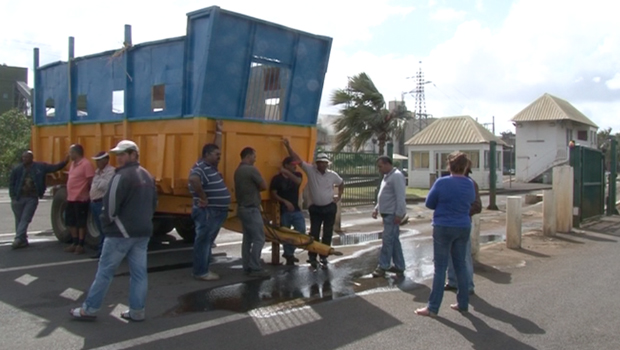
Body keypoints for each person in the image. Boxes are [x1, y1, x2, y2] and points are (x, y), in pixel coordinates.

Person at [70, 140, 157, 322]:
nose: (119, 158)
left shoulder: (121, 176)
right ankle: (137, 311)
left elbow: (109, 207)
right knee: (139, 274)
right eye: (117, 154)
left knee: (105, 273)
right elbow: (153, 204)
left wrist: (107, 224)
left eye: (123, 154)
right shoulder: (148, 175)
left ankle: (90, 309)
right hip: (142, 233)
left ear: (134, 154)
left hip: (120, 234)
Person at [415, 152, 475, 317]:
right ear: (465, 167)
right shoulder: (469, 184)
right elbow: (471, 201)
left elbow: (430, 203)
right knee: (460, 265)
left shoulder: (442, 182)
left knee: (440, 267)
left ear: (449, 166)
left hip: (443, 225)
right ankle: (463, 303)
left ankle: (433, 307)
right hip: (463, 225)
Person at [282, 139, 344, 269]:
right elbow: (297, 159)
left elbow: (341, 183)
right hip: (315, 208)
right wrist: (288, 146)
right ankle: (312, 256)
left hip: (329, 207)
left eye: (324, 163)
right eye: (320, 162)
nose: (322, 165)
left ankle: (324, 256)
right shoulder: (311, 170)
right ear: (317, 163)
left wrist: (338, 196)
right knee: (314, 233)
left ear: (327, 164)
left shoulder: (332, 175)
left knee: (327, 233)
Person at [188, 121, 231, 281]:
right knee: (203, 241)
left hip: (215, 211)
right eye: (216, 155)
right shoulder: (201, 166)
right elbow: (193, 179)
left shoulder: (210, 167)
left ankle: (204, 268)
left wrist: (218, 132)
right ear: (206, 155)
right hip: (208, 211)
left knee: (207, 241)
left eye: (219, 155)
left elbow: (214, 147)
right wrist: (203, 197)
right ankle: (200, 272)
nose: (219, 157)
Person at [9, 150, 69, 249]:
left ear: (32, 158)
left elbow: (54, 168)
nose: (24, 159)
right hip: (18, 198)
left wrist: (65, 162)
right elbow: (11, 183)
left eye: (27, 157)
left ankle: (18, 238)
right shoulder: (17, 169)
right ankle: (22, 241)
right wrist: (13, 197)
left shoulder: (40, 167)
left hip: (31, 198)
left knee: (25, 219)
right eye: (23, 157)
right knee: (19, 220)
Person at [445, 163, 482, 293]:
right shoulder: (448, 182)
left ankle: (468, 286)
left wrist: (461, 211)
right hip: (449, 223)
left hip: (462, 223)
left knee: (464, 256)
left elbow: (477, 206)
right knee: (450, 253)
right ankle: (453, 281)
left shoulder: (470, 183)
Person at [234, 147, 269, 278]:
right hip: (251, 209)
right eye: (254, 156)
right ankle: (255, 267)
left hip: (242, 208)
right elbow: (264, 186)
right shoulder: (251, 170)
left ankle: (246, 266)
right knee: (259, 238)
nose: (256, 159)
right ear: (248, 156)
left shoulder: (238, 170)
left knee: (247, 239)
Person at [371, 156, 407, 278]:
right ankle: (399, 265)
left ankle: (383, 265)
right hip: (387, 213)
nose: (379, 169)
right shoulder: (387, 177)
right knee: (394, 241)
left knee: (387, 241)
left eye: (380, 166)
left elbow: (400, 197)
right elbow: (384, 195)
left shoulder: (396, 176)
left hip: (392, 214)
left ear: (387, 164)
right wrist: (377, 208)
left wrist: (399, 214)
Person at [270, 156, 305, 265]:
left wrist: (286, 172)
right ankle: (288, 254)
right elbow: (273, 194)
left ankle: (289, 252)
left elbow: (298, 182)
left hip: (296, 209)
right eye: (292, 165)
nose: (295, 167)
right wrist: (284, 201)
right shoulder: (277, 179)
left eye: (295, 165)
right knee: (286, 233)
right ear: (286, 165)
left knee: (301, 229)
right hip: (284, 210)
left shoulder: (297, 175)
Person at [64, 144, 96, 255]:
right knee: (71, 221)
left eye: (71, 152)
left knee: (81, 222)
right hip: (71, 197)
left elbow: (90, 181)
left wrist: (89, 194)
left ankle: (81, 244)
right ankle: (74, 242)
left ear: (76, 153)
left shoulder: (86, 164)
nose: (69, 154)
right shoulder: (73, 164)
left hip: (81, 198)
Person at [89, 151, 116, 259]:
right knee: (100, 229)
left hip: (102, 202)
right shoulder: (98, 172)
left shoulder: (110, 171)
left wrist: (97, 180)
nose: (97, 163)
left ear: (106, 160)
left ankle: (105, 252)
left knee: (105, 229)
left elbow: (105, 186)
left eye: (99, 160)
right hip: (94, 202)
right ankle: (101, 250)